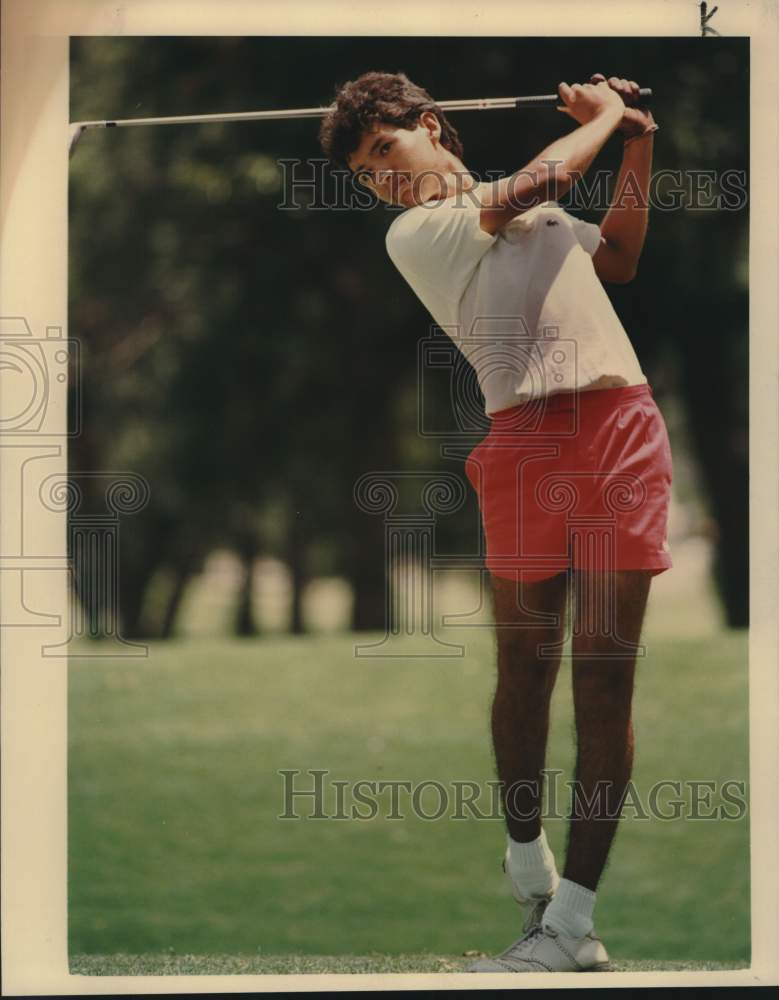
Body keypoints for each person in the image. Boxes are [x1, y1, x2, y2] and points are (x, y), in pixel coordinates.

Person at [319, 70, 672, 974]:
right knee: (524, 668)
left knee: (603, 681)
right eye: (363, 172)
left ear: (431, 127)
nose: (380, 177)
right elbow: (542, 178)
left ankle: (572, 928)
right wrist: (596, 119)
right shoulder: (420, 231)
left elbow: (622, 259)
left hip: (619, 430)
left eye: (384, 151)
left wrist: (635, 141)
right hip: (522, 443)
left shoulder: (541, 213)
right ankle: (528, 867)